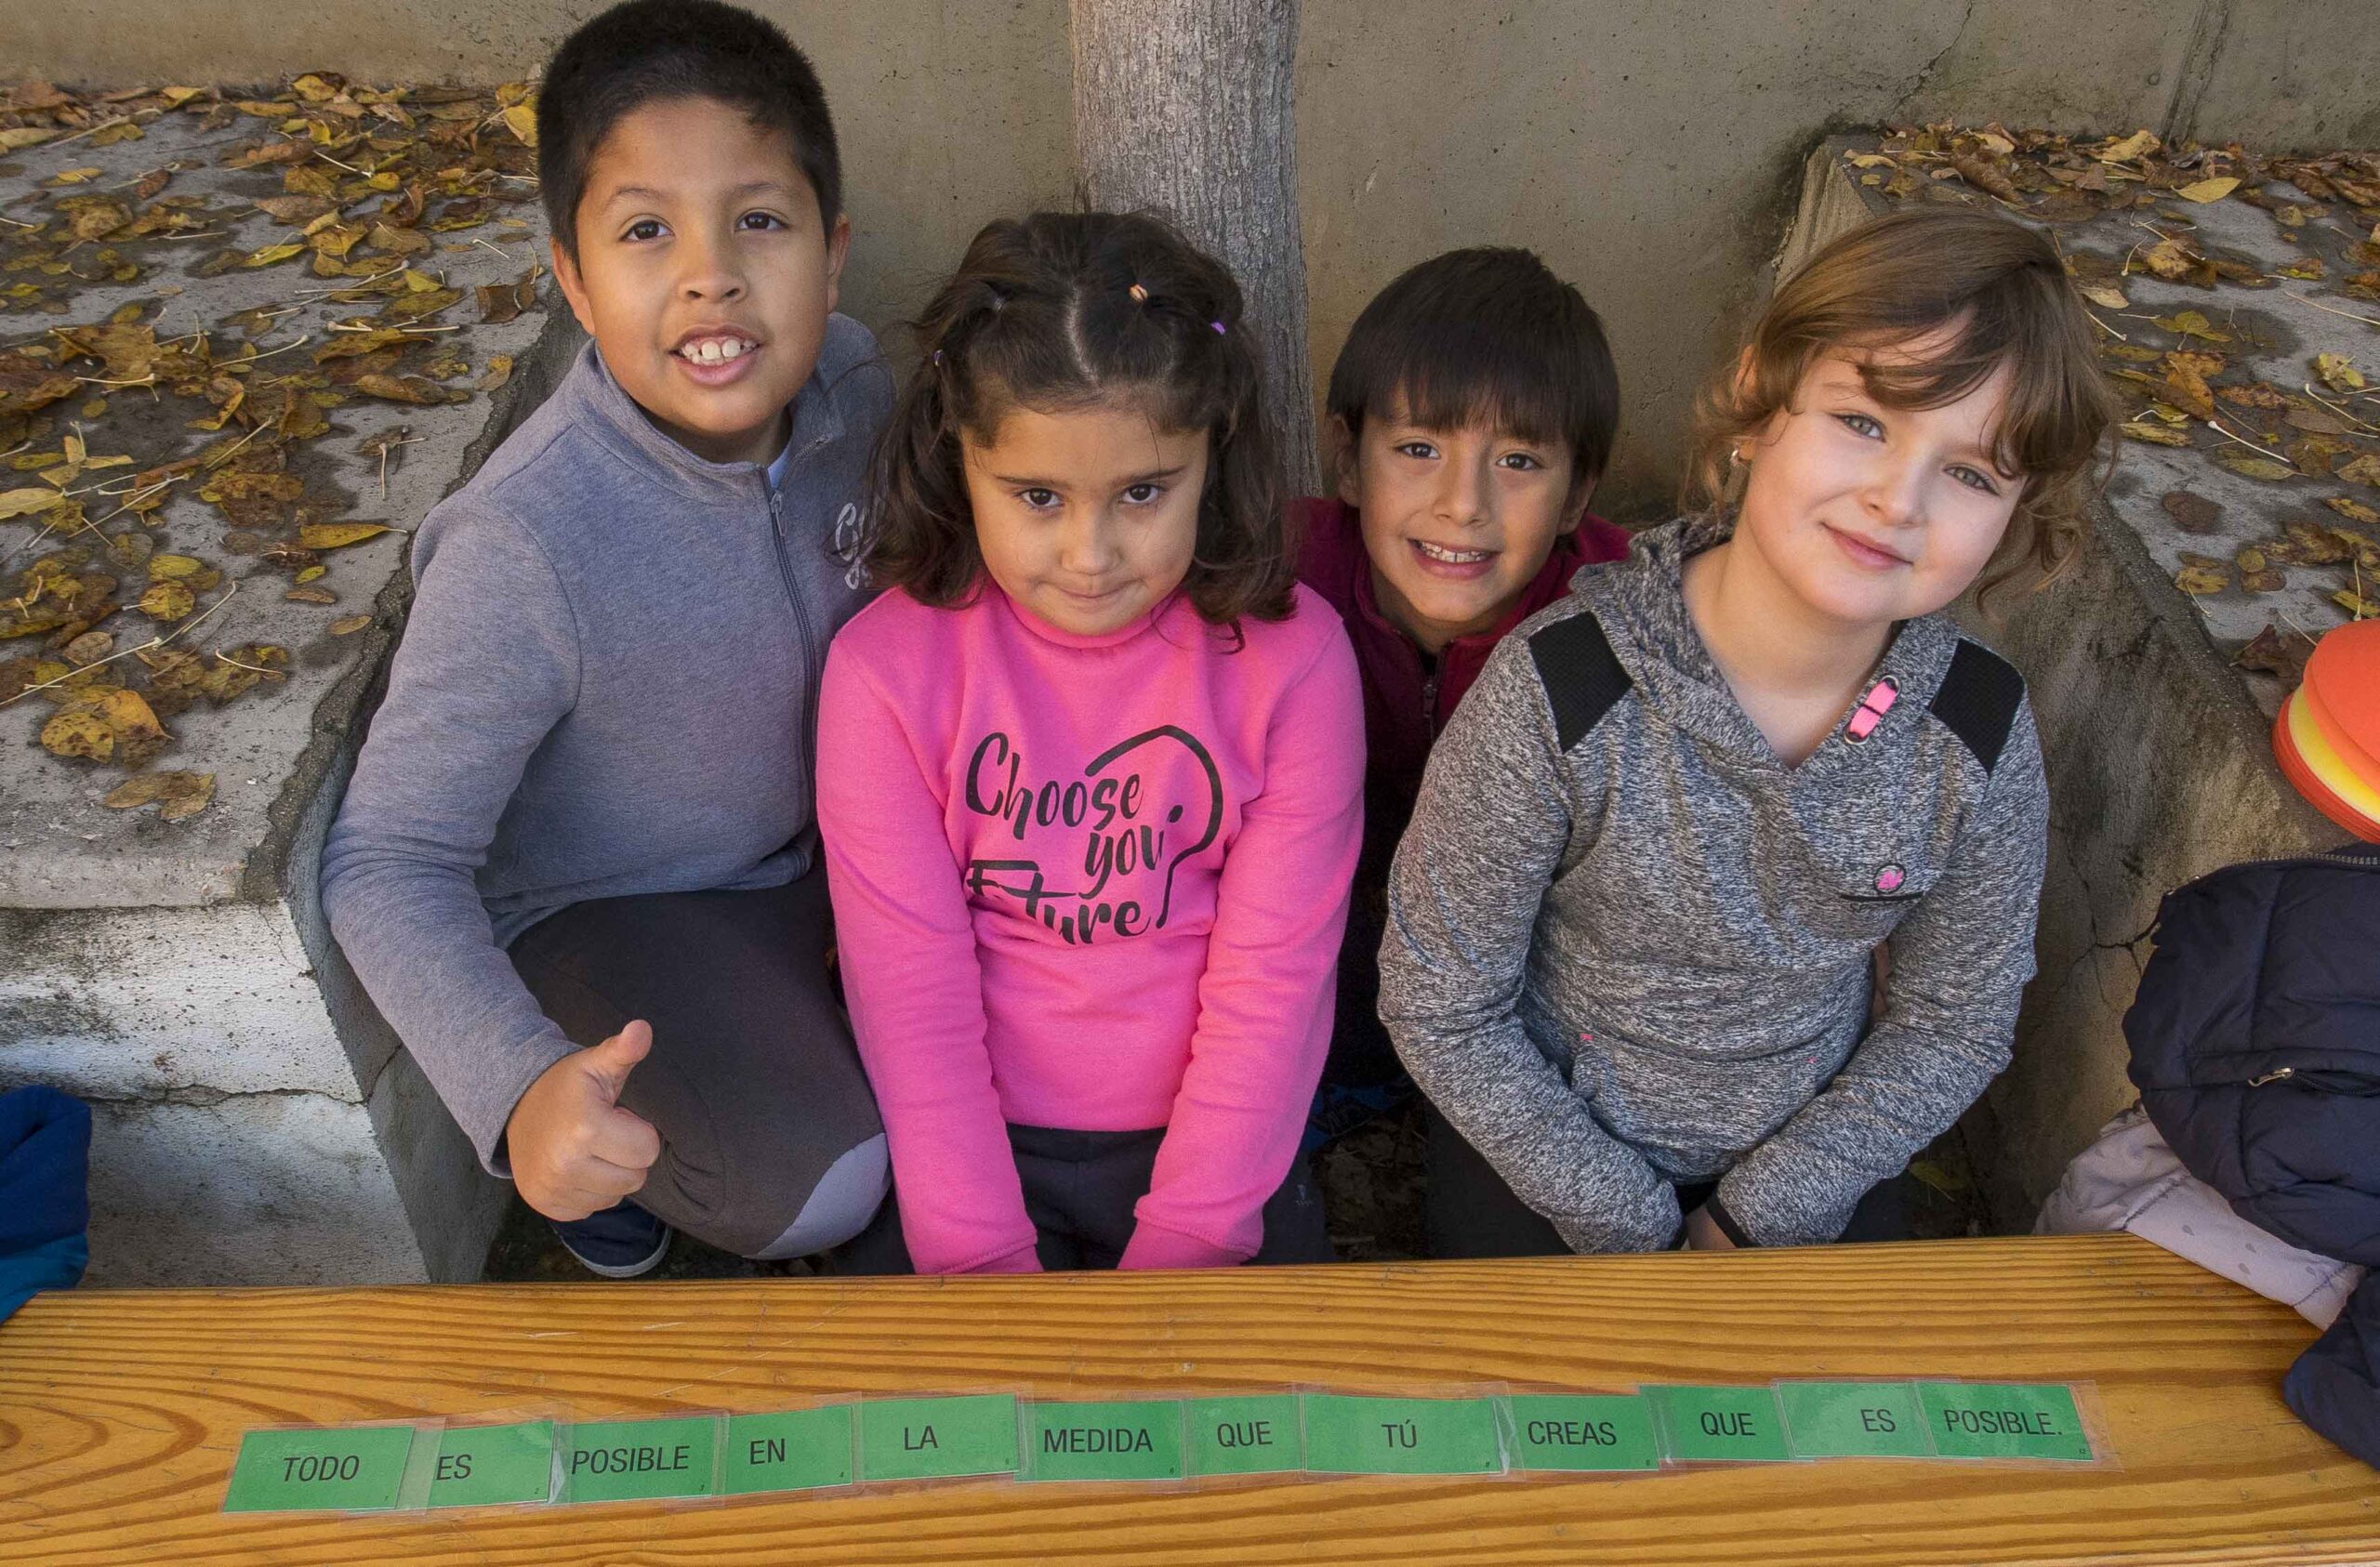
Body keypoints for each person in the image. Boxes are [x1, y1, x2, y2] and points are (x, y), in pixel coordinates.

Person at [1380, 205, 2115, 1258]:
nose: (1896, 500)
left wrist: (1751, 1218)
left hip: (1810, 1168)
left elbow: (1954, 1022)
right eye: (1862, 423)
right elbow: (1442, 1000)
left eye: (1970, 473)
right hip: (1544, 1148)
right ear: (1759, 400)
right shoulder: (1562, 687)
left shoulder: (1976, 733)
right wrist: (1630, 1224)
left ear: (2016, 514)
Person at [321, 0, 892, 1278]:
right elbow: (388, 858)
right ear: (573, 281)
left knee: (1022, 1068)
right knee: (827, 1184)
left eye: (760, 220)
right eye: (645, 231)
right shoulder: (524, 545)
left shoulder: (857, 388)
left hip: (833, 849)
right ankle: (593, 1173)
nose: (710, 275)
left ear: (834, 252)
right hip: (617, 907)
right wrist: (518, 1086)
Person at [817, 211, 1364, 1274]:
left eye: (1143, 492)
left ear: (1214, 457)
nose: (1089, 554)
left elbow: (1274, 984)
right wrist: (980, 1260)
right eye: (1036, 497)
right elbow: (909, 996)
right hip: (965, 1144)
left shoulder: (1294, 664)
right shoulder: (884, 674)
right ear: (959, 456)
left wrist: (1189, 1243)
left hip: (1211, 1145)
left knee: (1264, 1382)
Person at [1296, 247, 1632, 1133]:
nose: (1464, 504)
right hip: (1334, 907)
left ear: (1577, 494)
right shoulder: (1284, 580)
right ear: (1346, 459)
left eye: (1518, 460)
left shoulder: (1622, 622)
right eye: (1418, 448)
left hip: (1530, 953)